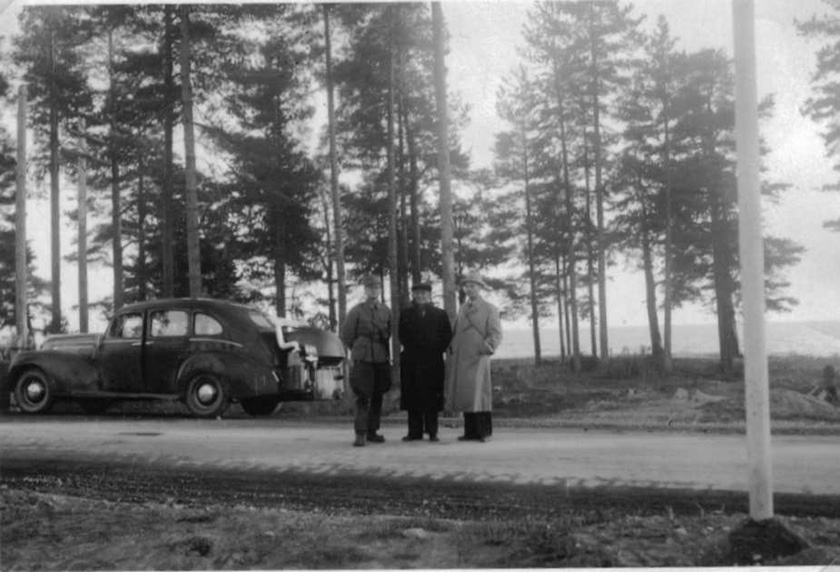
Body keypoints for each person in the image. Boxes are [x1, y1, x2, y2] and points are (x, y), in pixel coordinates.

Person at [445, 272, 502, 442]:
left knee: (480, 394)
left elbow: (496, 334)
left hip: (478, 356)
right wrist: (453, 348)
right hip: (462, 357)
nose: (470, 289)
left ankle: (484, 432)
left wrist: (485, 347)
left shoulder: (489, 308)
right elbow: (456, 331)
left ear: (480, 288)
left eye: (473, 286)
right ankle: (470, 432)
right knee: (466, 395)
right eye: (467, 286)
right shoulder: (462, 308)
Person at [341, 275, 392, 447]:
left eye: (377, 287)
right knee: (363, 395)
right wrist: (357, 349)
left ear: (380, 290)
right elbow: (347, 335)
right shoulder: (356, 311)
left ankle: (373, 431)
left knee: (377, 395)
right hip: (362, 358)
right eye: (370, 287)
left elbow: (389, 333)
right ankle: (360, 433)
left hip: (380, 357)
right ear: (365, 290)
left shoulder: (386, 311)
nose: (374, 290)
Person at [398, 282, 452, 442]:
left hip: (432, 360)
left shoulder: (440, 314)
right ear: (413, 295)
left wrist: (434, 349)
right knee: (412, 396)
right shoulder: (406, 314)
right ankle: (414, 432)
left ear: (429, 296)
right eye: (417, 293)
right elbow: (402, 335)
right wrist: (414, 349)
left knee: (432, 397)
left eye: (424, 294)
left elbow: (447, 336)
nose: (421, 296)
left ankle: (432, 431)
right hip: (412, 360)